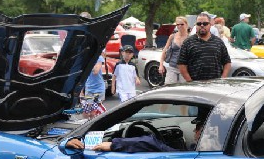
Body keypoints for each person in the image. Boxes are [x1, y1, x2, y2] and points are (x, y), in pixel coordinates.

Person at [66, 113, 206, 153]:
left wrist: (113, 144)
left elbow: (150, 143)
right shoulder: (197, 148)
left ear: (207, 131)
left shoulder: (197, 153)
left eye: (198, 128)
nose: (194, 130)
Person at [177, 12, 231, 82]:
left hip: (216, 84)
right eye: (199, 24)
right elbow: (181, 64)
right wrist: (189, 81)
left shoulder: (218, 42)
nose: (202, 25)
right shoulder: (188, 42)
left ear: (210, 25)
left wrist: (222, 78)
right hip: (196, 85)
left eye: (205, 23)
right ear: (195, 25)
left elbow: (227, 62)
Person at [159, 16, 189, 84]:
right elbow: (164, 50)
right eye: (178, 24)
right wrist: (161, 65)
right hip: (172, 67)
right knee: (169, 89)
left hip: (185, 69)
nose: (180, 26)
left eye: (182, 24)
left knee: (183, 90)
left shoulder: (190, 38)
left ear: (186, 24)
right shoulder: (172, 36)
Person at [80, 49, 106, 118]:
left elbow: (96, 71)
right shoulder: (86, 60)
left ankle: (99, 124)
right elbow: (83, 76)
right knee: (86, 112)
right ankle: (88, 125)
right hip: (89, 88)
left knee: (95, 111)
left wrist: (88, 65)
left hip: (99, 88)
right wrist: (81, 90)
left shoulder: (99, 58)